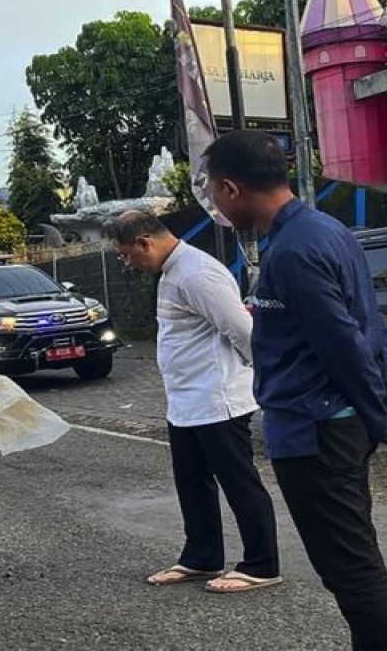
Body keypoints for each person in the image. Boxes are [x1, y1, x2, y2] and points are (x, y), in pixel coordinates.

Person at [204, 130, 387, 650]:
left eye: (213, 189)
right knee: (354, 563)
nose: (213, 201)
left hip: (315, 433)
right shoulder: (327, 230)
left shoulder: (292, 253)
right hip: (335, 425)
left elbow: (344, 342)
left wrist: (381, 412)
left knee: (350, 571)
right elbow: (373, 324)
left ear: (233, 188)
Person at [106, 210, 281, 594]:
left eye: (124, 253)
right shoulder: (173, 271)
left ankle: (261, 563)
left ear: (144, 243)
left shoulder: (197, 272)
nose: (126, 262)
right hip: (186, 401)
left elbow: (242, 329)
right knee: (192, 481)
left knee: (239, 482)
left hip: (217, 398)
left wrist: (265, 381)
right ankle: (201, 556)